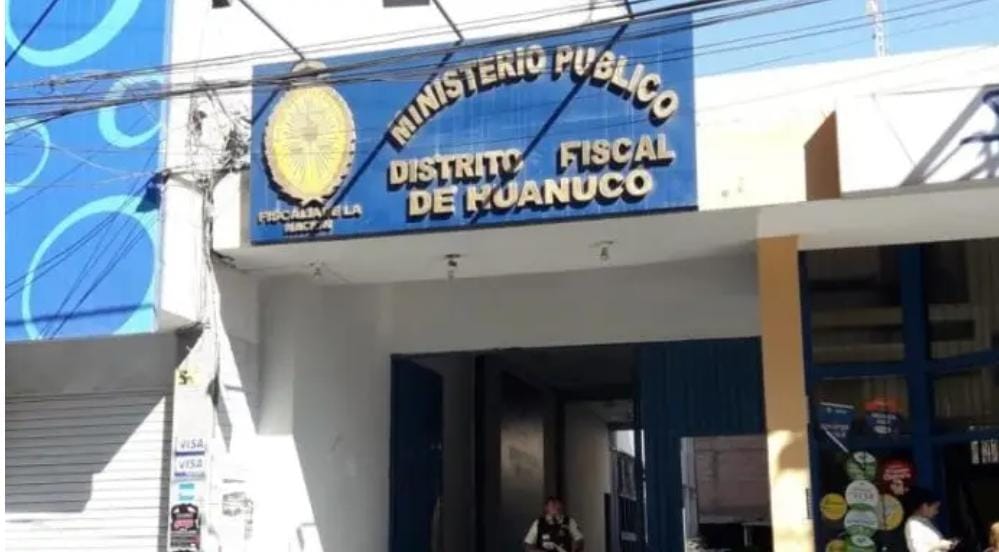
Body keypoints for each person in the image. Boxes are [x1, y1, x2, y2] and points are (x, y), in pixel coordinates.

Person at [904, 487, 958, 552]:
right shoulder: (913, 524)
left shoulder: (925, 521)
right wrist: (940, 545)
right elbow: (917, 549)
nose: (937, 512)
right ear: (924, 506)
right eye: (935, 508)